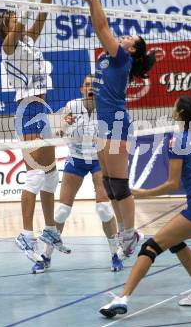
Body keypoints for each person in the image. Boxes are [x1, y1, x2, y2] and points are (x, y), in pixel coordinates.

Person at [99, 95, 191, 317]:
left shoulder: (177, 140)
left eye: (174, 105)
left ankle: (122, 298)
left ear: (179, 113)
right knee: (175, 242)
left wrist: (142, 194)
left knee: (150, 247)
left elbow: (172, 184)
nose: (172, 108)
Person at [0, 0, 69, 265]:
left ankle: (49, 229)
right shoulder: (8, 45)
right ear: (8, 26)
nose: (19, 20)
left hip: (42, 106)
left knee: (51, 174)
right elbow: (25, 13)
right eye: (14, 19)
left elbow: (44, 11)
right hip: (26, 110)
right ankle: (25, 233)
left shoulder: (28, 41)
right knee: (35, 176)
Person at [78, 0, 156, 258]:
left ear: (132, 50)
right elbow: (101, 29)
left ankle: (129, 232)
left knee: (120, 185)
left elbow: (101, 28)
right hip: (103, 122)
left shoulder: (122, 58)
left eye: (129, 39)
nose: (123, 38)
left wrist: (94, 0)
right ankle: (126, 231)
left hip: (117, 124)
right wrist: (92, 4)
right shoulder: (111, 55)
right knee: (109, 183)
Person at [33, 74, 125, 273]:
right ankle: (46, 257)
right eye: (87, 85)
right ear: (82, 89)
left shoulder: (106, 108)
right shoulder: (72, 106)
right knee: (62, 211)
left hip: (99, 161)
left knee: (104, 209)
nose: (90, 88)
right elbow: (58, 131)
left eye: (93, 85)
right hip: (76, 160)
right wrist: (64, 125)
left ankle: (115, 254)